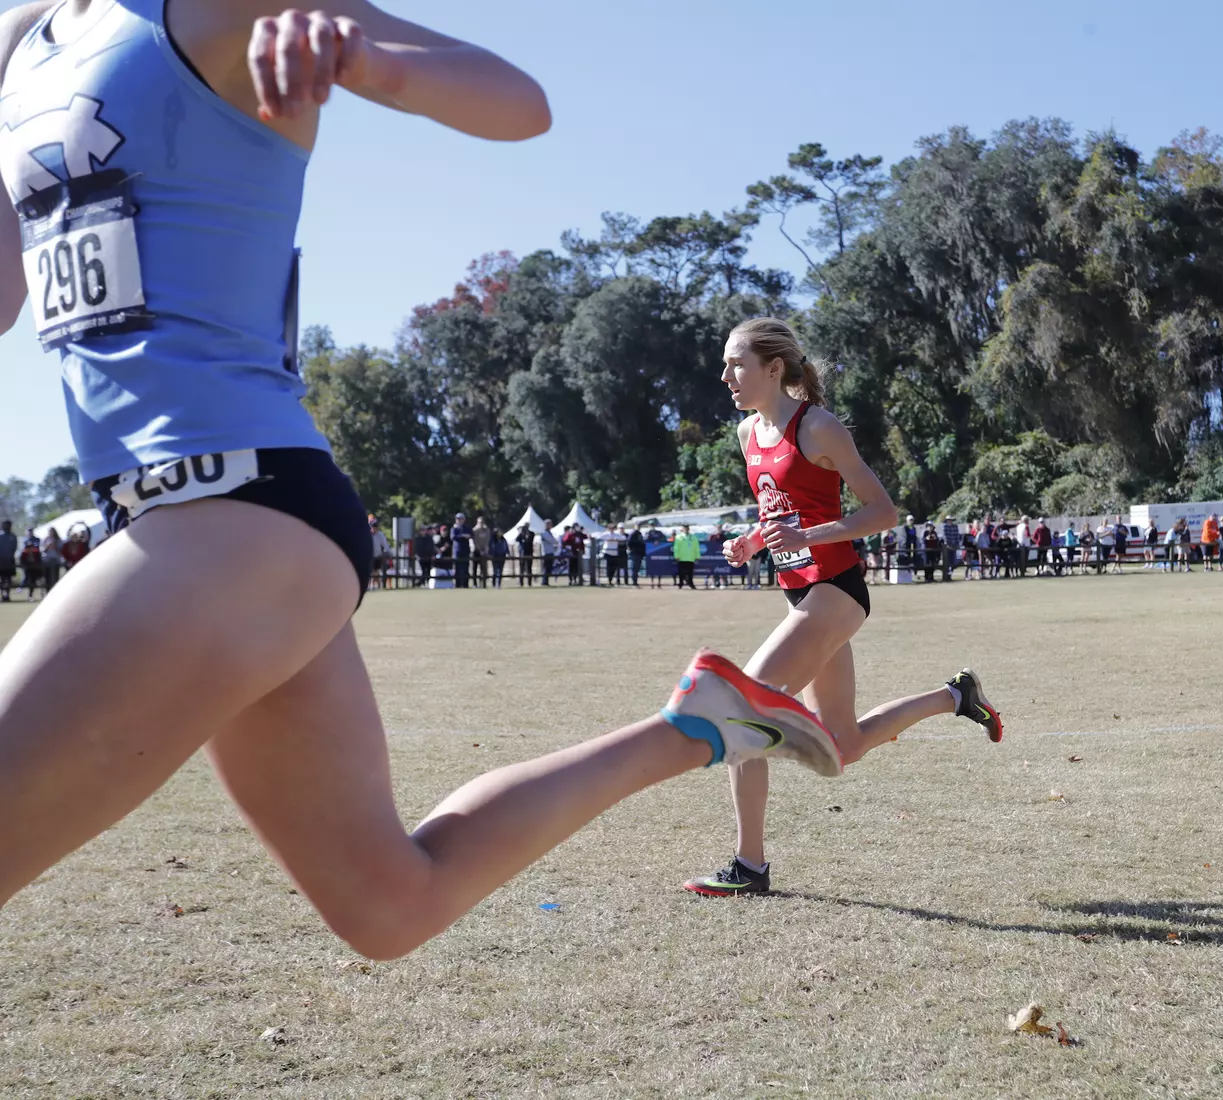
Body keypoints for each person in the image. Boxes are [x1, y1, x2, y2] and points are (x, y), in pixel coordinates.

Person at [0, 1, 862, 962]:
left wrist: (367, 61)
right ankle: (697, 725)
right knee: (388, 903)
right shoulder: (16, 43)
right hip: (170, 519)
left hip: (235, 505)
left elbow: (519, 102)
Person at [688, 318, 1003, 897]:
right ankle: (957, 695)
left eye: (737, 363)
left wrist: (808, 539)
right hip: (801, 592)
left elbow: (883, 513)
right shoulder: (746, 435)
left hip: (837, 591)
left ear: (773, 368)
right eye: (725, 365)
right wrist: (754, 541)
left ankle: (749, 866)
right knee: (842, 746)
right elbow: (780, 510)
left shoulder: (820, 428)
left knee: (740, 710)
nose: (726, 375)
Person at [368, 517, 391, 590]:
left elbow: (385, 544)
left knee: (376, 571)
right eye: (373, 527)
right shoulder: (368, 534)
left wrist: (388, 551)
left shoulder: (380, 535)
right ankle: (372, 585)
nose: (375, 528)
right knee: (371, 571)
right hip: (370, 556)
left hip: (378, 555)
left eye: (376, 527)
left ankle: (377, 585)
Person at [451, 513, 473, 589]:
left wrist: (467, 536)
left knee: (465, 568)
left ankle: (465, 585)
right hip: (457, 551)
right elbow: (453, 537)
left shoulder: (467, 528)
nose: (459, 520)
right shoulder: (454, 528)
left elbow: (471, 535)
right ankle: (458, 585)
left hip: (466, 551)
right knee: (457, 569)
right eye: (458, 519)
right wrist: (463, 536)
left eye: (461, 519)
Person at [39, 526, 61, 592]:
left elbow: (60, 551)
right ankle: (47, 590)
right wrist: (47, 546)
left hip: (55, 560)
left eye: (52, 531)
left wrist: (55, 546)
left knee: (55, 577)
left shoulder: (58, 540)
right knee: (47, 577)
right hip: (47, 561)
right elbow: (42, 550)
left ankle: (55, 590)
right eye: (50, 531)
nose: (51, 533)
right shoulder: (45, 539)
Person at [0, 520, 15, 602]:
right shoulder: (0, 536)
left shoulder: (13, 536)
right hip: (1, 560)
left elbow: (14, 548)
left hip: (9, 560)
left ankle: (7, 595)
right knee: (2, 579)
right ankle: (3, 595)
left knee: (8, 579)